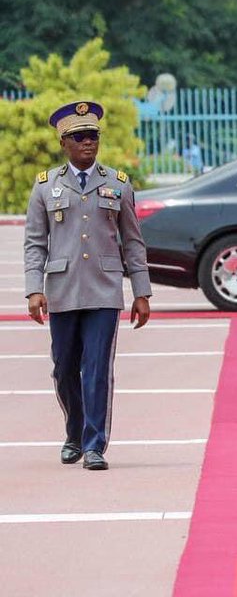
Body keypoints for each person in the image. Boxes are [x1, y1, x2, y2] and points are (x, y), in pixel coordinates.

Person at [23, 101, 152, 471]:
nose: (88, 143)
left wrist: (141, 292)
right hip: (62, 290)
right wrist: (34, 288)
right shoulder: (45, 186)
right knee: (64, 368)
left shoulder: (118, 184)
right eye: (80, 137)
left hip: (104, 289)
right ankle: (74, 432)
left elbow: (133, 242)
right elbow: (35, 242)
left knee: (96, 368)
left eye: (93, 136)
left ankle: (95, 445)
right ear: (64, 142)